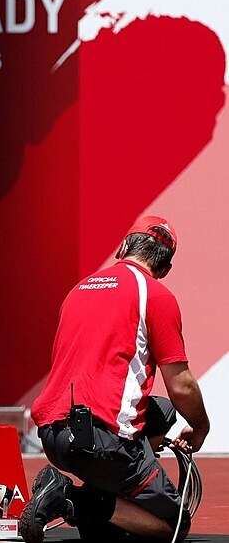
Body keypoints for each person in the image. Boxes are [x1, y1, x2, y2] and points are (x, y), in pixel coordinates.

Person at [21, 216, 210, 543]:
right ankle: (71, 498)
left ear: (123, 248)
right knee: (175, 526)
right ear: (164, 269)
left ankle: (103, 496)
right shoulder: (155, 295)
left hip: (53, 434)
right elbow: (182, 386)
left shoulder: (80, 289)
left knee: (161, 412)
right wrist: (201, 427)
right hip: (102, 441)